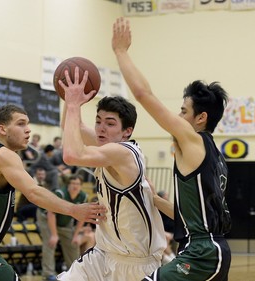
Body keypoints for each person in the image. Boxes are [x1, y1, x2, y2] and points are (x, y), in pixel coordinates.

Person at [112, 17, 232, 281]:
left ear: (200, 118)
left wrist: (121, 52)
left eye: (183, 111)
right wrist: (154, 199)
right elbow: (188, 215)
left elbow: (144, 95)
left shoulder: (192, 140)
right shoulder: (215, 156)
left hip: (202, 252)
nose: (177, 116)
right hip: (210, 250)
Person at [0, 104, 106, 281]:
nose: (28, 130)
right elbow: (33, 192)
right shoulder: (4, 155)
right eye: (21, 124)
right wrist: (74, 210)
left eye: (28, 124)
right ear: (2, 128)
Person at [56, 70, 167, 281]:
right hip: (104, 254)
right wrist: (69, 97)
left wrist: (72, 105)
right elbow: (72, 127)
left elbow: (71, 154)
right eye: (98, 121)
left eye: (110, 123)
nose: (101, 128)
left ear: (127, 131)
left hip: (136, 263)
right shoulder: (105, 144)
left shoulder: (123, 153)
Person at [37, 175, 88, 281]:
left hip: (64, 221)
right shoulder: (61, 193)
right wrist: (54, 235)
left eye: (78, 184)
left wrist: (75, 235)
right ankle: (48, 274)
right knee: (50, 242)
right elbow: (51, 214)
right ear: (68, 185)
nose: (75, 186)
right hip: (47, 218)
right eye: (73, 183)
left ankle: (75, 272)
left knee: (73, 244)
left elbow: (82, 217)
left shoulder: (83, 196)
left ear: (81, 186)